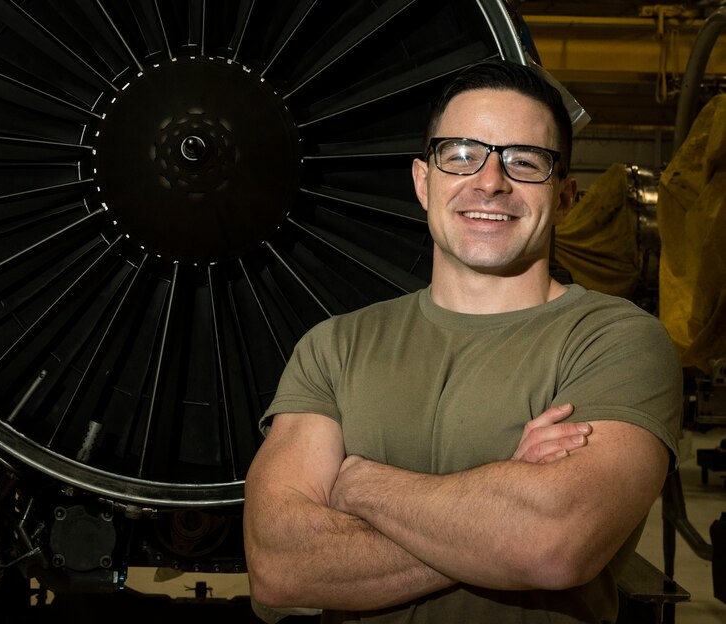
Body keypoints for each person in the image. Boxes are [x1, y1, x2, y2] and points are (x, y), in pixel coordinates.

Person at [243, 59, 682, 623]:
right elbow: (280, 565)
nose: (491, 182)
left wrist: (360, 484)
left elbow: (552, 545)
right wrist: (501, 508)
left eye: (525, 161)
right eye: (460, 155)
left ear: (566, 197)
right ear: (423, 183)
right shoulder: (335, 347)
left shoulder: (616, 342)